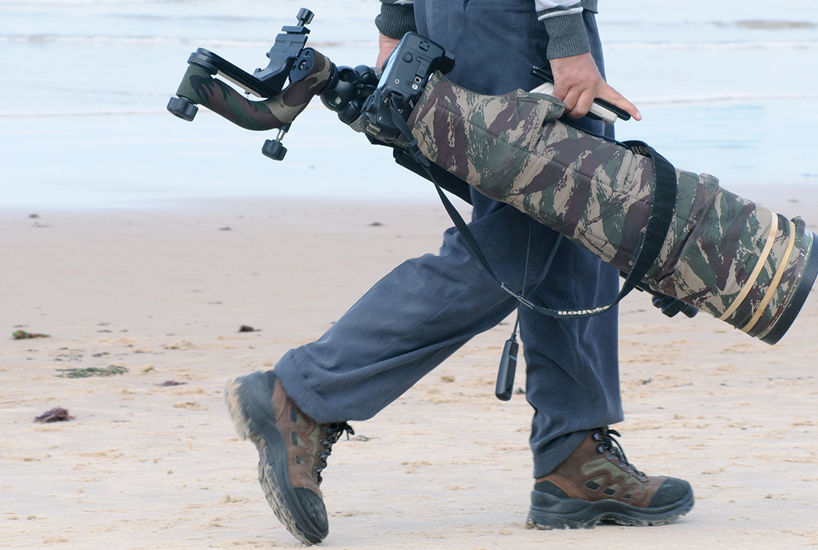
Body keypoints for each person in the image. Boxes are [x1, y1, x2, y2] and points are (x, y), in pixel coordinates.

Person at [225, 0, 693, 544]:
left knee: (574, 218)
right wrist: (567, 35)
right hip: (516, 24)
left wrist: (398, 20)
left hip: (460, 19)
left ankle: (575, 454)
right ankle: (303, 395)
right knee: (531, 229)